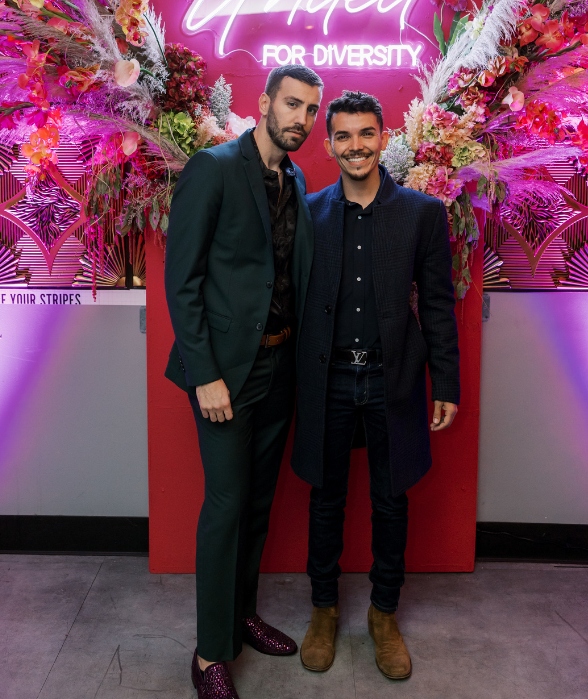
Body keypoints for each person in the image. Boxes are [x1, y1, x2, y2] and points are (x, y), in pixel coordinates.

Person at [164, 65, 323, 699]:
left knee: (258, 505)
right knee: (226, 507)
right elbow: (183, 281)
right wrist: (206, 376)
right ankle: (208, 654)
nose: (301, 120)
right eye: (292, 105)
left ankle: (241, 617)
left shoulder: (297, 176)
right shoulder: (214, 168)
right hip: (226, 375)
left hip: (280, 367)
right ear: (263, 103)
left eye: (310, 111)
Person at [292, 91, 460, 681]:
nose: (355, 146)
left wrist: (448, 382)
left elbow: (438, 306)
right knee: (326, 498)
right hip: (328, 378)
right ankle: (323, 611)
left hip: (395, 379)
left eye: (366, 134)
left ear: (383, 138)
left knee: (391, 501)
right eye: (343, 136)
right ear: (329, 142)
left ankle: (383, 615)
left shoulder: (422, 213)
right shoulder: (309, 212)